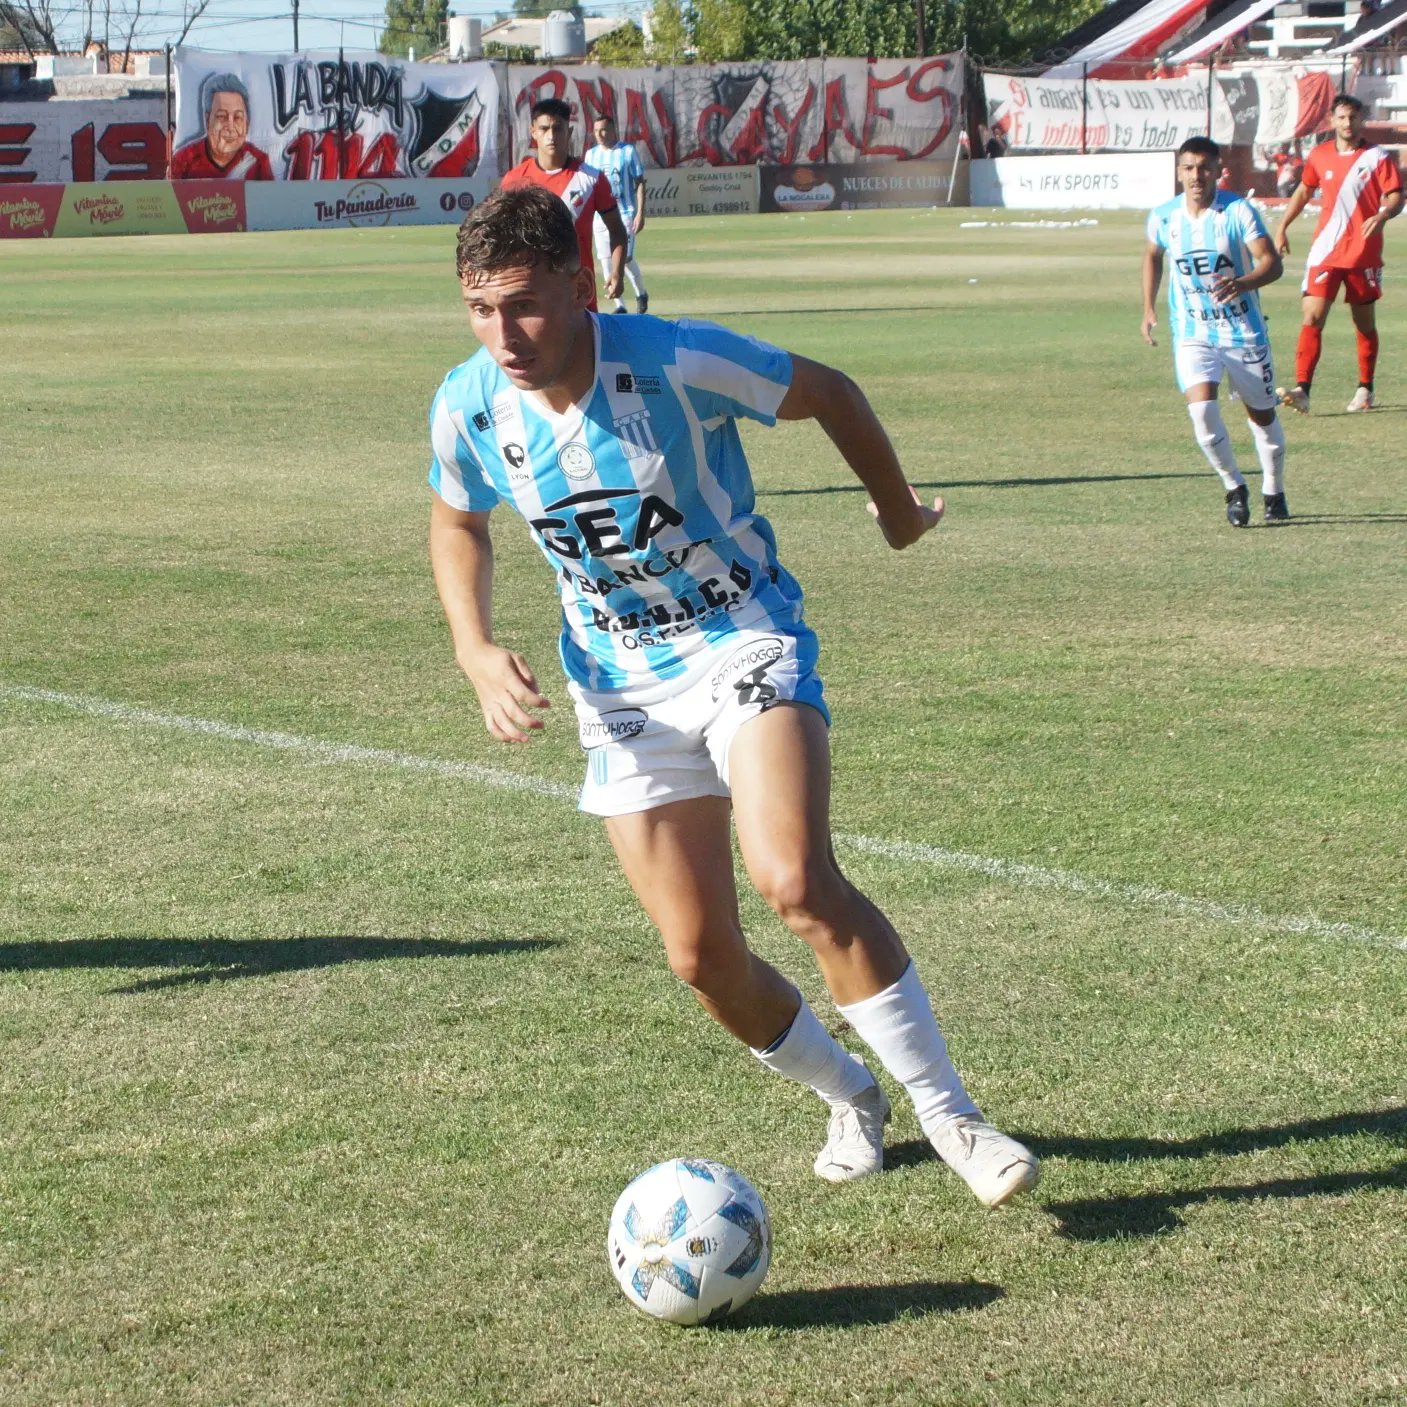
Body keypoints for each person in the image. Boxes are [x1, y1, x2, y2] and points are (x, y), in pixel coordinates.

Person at [426, 185, 1040, 1208]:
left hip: (741, 639)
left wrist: (897, 516)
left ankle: (954, 1117)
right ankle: (852, 1098)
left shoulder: (673, 359)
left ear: (582, 285)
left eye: (526, 304)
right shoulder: (467, 405)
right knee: (701, 957)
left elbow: (831, 391)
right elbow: (457, 522)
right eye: (482, 310)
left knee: (794, 878)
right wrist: (475, 647)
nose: (506, 334)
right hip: (620, 689)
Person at [1142, 136, 1290, 526]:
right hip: (1193, 331)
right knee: (1202, 412)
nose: (1196, 176)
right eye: (1189, 168)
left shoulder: (1238, 211)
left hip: (1243, 332)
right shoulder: (1162, 217)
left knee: (1263, 417)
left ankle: (1273, 489)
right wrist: (1147, 308)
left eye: (1204, 168)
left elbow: (1272, 264)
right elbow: (1153, 256)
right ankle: (1234, 487)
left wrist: (1242, 283)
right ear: (1179, 172)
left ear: (1217, 171)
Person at [1274, 93, 1403, 413]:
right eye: (1342, 117)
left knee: (1364, 323)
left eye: (1354, 117)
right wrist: (1282, 226)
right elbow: (1304, 190)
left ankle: (1365, 388)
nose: (1348, 123)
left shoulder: (1377, 157)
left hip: (1363, 252)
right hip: (1325, 251)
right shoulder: (1319, 156)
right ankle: (1302, 389)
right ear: (1332, 120)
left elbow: (1396, 197)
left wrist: (1383, 214)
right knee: (1312, 316)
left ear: (1362, 120)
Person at [502, 97, 626, 314]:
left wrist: (617, 272)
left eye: (558, 129)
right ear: (533, 132)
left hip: (578, 296)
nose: (551, 136)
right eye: (544, 128)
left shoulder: (591, 179)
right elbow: (501, 239)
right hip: (530, 296)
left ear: (568, 132)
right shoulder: (514, 181)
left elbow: (617, 230)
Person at [584, 114, 650, 315]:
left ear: (613, 130)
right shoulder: (591, 155)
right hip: (599, 216)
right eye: (596, 131)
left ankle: (641, 293)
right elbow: (587, 186)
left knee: (626, 257)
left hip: (625, 212)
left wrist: (641, 213)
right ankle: (619, 305)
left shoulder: (627, 152)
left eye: (603, 130)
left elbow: (639, 182)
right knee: (605, 259)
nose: (600, 135)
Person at [168, 73, 274, 181]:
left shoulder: (258, 161)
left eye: (237, 117)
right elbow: (168, 196)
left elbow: (270, 197)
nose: (230, 127)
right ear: (207, 120)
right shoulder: (184, 161)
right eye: (222, 116)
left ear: (247, 123)